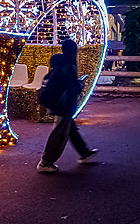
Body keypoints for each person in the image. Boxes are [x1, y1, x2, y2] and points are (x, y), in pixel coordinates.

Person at [37, 39, 97, 173]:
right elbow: (72, 87)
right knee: (59, 134)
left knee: (70, 130)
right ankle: (46, 162)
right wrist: (80, 84)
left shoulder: (60, 64)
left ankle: (85, 153)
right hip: (63, 105)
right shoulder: (69, 66)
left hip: (58, 103)